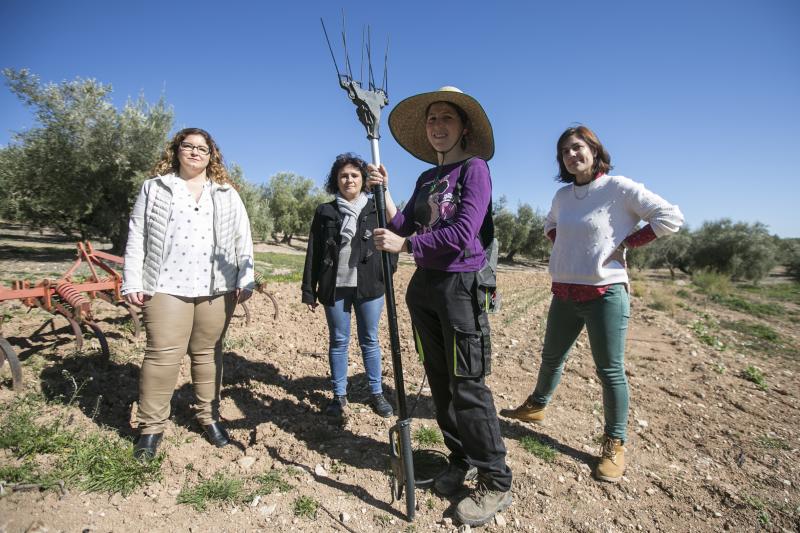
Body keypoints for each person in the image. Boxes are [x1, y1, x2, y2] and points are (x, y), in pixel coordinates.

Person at [500, 125, 684, 483]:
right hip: (564, 292)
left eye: (578, 148)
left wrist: (626, 244)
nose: (572, 155)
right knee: (551, 356)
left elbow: (670, 218)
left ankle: (615, 442)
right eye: (565, 151)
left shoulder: (619, 188)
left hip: (605, 293)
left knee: (609, 371)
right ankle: (537, 406)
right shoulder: (562, 196)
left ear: (595, 151)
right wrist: (565, 248)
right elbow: (549, 225)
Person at [368, 86, 512, 527]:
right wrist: (385, 191)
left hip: (461, 288)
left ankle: (496, 480)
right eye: (432, 120)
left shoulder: (475, 169)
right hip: (425, 289)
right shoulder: (426, 180)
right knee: (440, 382)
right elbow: (400, 223)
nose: (438, 126)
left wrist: (406, 243)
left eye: (446, 118)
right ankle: (460, 459)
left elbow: (465, 232)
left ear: (463, 127)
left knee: (468, 385)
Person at [122, 127, 255, 460]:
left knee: (209, 354)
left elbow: (243, 239)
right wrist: (132, 280)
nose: (196, 152)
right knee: (162, 355)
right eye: (189, 146)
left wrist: (245, 277)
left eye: (203, 149)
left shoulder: (226, 193)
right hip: (165, 285)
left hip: (216, 287)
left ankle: (209, 418)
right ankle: (150, 429)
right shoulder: (155, 188)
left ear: (212, 156)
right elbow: (137, 235)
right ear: (176, 150)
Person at [301, 153, 394, 419]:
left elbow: (392, 241)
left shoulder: (376, 208)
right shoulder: (325, 211)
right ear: (336, 181)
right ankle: (338, 396)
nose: (349, 179)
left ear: (364, 179)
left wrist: (386, 273)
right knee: (338, 341)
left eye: (354, 175)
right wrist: (309, 289)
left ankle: (376, 393)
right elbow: (314, 251)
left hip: (370, 287)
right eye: (343, 176)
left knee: (370, 340)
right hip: (335, 285)